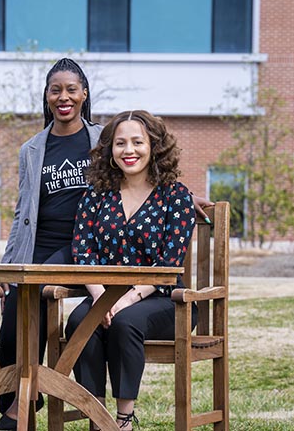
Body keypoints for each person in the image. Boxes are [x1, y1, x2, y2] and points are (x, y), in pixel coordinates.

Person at [66, 110, 197, 430]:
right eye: (120, 143)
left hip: (165, 298)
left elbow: (169, 263)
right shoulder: (96, 195)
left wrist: (123, 301)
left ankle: (123, 420)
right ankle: (97, 418)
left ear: (154, 146)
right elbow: (83, 252)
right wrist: (100, 299)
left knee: (125, 322)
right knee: (81, 320)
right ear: (109, 150)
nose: (129, 150)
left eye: (138, 142)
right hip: (104, 293)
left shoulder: (176, 196)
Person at [0, 58, 104, 430]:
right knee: (11, 322)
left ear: (84, 94)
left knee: (38, 287)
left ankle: (23, 401)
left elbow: (146, 177)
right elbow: (22, 211)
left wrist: (186, 197)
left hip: (82, 244)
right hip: (37, 247)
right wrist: (10, 267)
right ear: (46, 96)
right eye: (55, 90)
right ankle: (22, 399)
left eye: (71, 89)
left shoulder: (103, 140)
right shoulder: (32, 149)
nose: (64, 97)